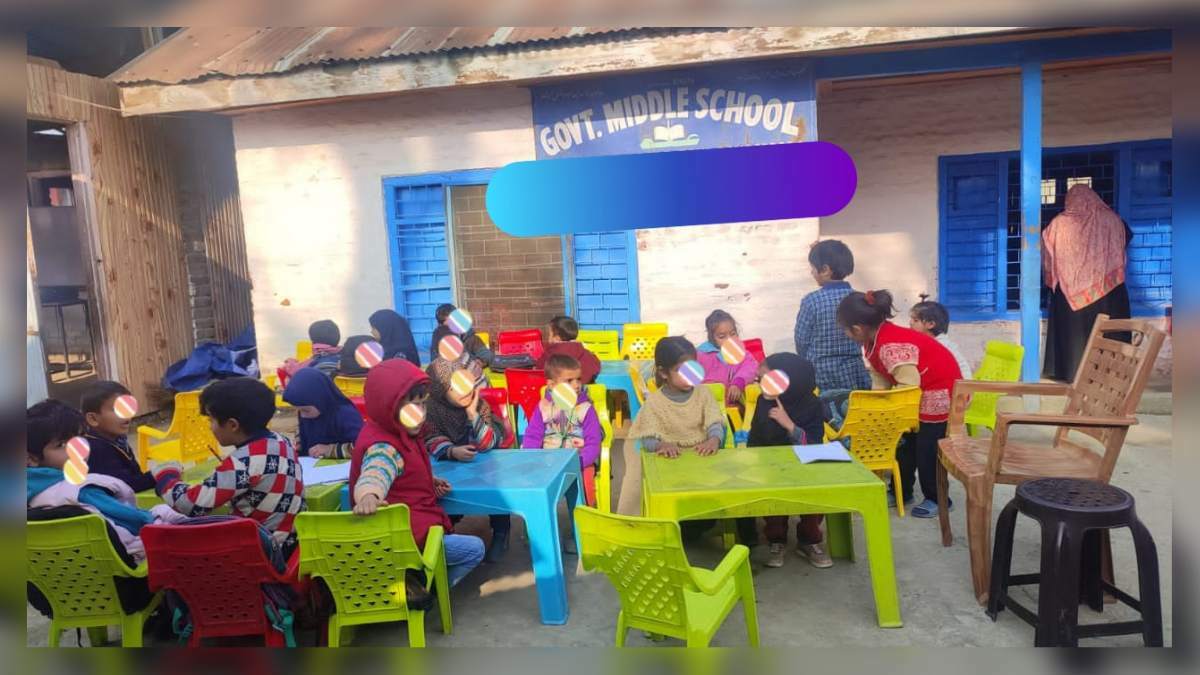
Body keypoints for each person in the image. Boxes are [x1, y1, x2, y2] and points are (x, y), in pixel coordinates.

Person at [349, 359, 485, 591]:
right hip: (408, 539)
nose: (419, 414)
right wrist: (368, 496)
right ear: (387, 406)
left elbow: (399, 471)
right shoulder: (385, 446)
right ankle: (428, 587)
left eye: (422, 405)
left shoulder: (390, 430)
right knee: (475, 549)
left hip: (405, 531)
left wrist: (428, 482)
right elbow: (376, 472)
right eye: (410, 407)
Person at [837, 290, 963, 519]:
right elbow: (881, 378)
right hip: (916, 391)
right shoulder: (871, 342)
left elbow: (908, 384)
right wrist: (877, 405)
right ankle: (900, 492)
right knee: (902, 445)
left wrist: (890, 411)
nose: (845, 333)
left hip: (939, 390)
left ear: (857, 328)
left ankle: (939, 498)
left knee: (927, 449)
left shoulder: (889, 345)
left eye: (845, 329)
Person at [152, 377, 306, 550]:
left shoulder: (242, 463)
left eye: (211, 420)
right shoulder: (282, 441)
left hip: (264, 551)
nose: (210, 427)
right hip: (293, 542)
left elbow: (190, 505)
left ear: (232, 425)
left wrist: (166, 477)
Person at [27, 400, 186, 562]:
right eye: (62, 444)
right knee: (166, 513)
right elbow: (136, 521)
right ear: (31, 458)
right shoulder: (81, 491)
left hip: (73, 570)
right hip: (128, 563)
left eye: (80, 437)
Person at [626, 337, 726, 537]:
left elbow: (715, 422)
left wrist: (714, 439)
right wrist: (661, 445)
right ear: (663, 372)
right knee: (676, 515)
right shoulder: (654, 402)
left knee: (708, 514)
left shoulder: (703, 393)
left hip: (701, 462)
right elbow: (647, 436)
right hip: (670, 468)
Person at [743, 354, 832, 569]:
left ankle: (809, 540)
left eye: (766, 377)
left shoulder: (811, 405)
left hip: (804, 466)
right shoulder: (766, 401)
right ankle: (777, 539)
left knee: (812, 496)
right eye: (760, 379)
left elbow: (814, 445)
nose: (759, 380)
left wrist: (789, 425)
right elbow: (756, 436)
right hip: (772, 464)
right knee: (773, 498)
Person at [1042, 184, 1133, 382]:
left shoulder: (1057, 224)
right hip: (1108, 290)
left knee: (1073, 336)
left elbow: (1048, 256)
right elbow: (1126, 238)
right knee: (1110, 332)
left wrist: (1056, 278)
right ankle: (1110, 372)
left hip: (1069, 296)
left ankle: (1071, 372)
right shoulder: (1113, 220)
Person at [423, 358, 511, 562]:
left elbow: (489, 444)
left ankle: (501, 532)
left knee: (496, 493)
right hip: (446, 467)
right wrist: (452, 451)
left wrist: (472, 415)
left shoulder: (480, 406)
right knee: (441, 494)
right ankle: (448, 529)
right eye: (457, 388)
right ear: (441, 388)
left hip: (484, 466)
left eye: (469, 387)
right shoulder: (430, 409)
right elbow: (429, 437)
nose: (466, 393)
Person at [794, 239, 872, 422]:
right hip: (854, 369)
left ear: (826, 269)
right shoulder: (858, 298)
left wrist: (808, 361)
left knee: (828, 419)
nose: (811, 272)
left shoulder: (811, 301)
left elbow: (801, 340)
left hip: (821, 372)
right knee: (856, 416)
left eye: (813, 268)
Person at [522, 354, 604, 507]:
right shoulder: (543, 407)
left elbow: (593, 442)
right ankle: (537, 524)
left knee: (585, 484)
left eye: (578, 379)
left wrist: (580, 462)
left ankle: (584, 521)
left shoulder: (586, 409)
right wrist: (532, 460)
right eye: (569, 381)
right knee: (531, 485)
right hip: (548, 461)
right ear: (552, 385)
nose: (576, 385)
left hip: (578, 461)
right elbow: (533, 435)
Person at [79, 380, 154, 492]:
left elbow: (135, 474)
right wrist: (159, 475)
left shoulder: (117, 439)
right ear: (93, 419)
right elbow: (126, 486)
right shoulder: (96, 449)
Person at [282, 367, 363, 458]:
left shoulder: (345, 414)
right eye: (298, 410)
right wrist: (298, 445)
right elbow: (302, 433)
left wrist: (330, 450)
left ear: (321, 400)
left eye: (305, 410)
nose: (302, 415)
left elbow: (363, 447)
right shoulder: (307, 411)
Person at [431, 303, 534, 372]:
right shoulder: (439, 340)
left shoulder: (471, 338)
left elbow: (489, 357)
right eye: (445, 325)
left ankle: (529, 362)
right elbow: (439, 366)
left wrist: (480, 363)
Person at [696, 309, 759, 407]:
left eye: (733, 333)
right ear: (711, 338)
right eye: (722, 336)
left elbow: (750, 367)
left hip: (734, 404)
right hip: (707, 405)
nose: (729, 340)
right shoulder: (700, 354)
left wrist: (739, 382)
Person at [910, 300, 972, 380]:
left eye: (915, 320)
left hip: (958, 389)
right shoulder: (932, 342)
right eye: (911, 319)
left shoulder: (940, 346)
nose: (910, 323)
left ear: (931, 324)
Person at [535, 315, 601, 385]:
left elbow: (539, 367)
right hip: (581, 390)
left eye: (549, 334)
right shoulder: (582, 350)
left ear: (557, 338)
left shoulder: (551, 352)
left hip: (558, 391)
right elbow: (595, 364)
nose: (548, 337)